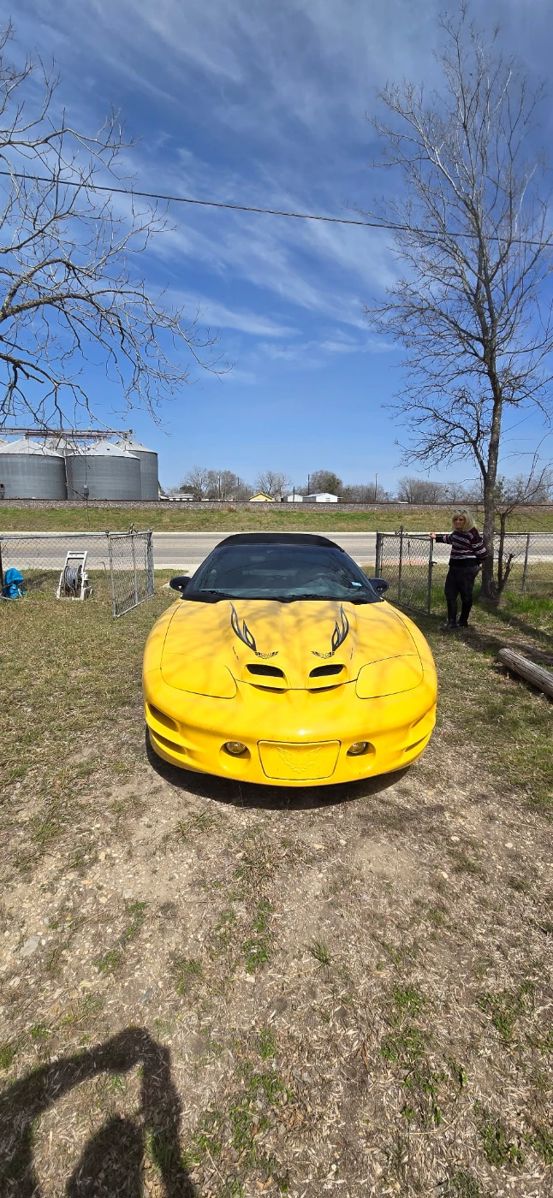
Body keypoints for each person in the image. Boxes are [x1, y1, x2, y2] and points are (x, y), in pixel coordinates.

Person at [433, 510, 487, 629]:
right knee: (450, 593)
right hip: (454, 567)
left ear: (466, 521)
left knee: (465, 595)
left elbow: (482, 552)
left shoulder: (472, 534)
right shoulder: (457, 533)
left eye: (461, 519)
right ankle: (452, 622)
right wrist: (436, 537)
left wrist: (477, 565)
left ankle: (463, 621)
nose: (458, 521)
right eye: (455, 519)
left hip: (467, 568)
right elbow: (450, 539)